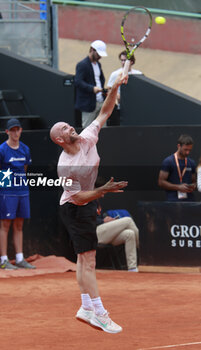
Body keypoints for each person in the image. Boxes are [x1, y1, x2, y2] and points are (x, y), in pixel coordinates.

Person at [50, 71, 128, 334]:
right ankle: (101, 314)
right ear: (60, 140)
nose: (69, 127)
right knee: (89, 260)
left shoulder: (86, 137)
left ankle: (85, 307)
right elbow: (78, 197)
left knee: (84, 261)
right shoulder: (65, 166)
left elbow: (104, 113)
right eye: (64, 129)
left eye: (68, 125)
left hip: (85, 204)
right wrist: (102, 190)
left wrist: (114, 87)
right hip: (74, 208)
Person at [0, 118, 36, 270]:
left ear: (21, 130)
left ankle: (19, 258)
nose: (15, 132)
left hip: (22, 191)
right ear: (7, 132)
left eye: (18, 129)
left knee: (19, 225)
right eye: (12, 130)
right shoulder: (0, 151)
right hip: (7, 192)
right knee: (5, 224)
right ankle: (4, 260)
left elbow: (24, 169)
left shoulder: (25, 149)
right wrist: (4, 188)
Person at [75, 40, 107, 129]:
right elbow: (78, 81)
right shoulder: (82, 64)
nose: (100, 57)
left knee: (102, 128)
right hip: (88, 104)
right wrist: (92, 89)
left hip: (100, 101)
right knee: (87, 129)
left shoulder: (98, 65)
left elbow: (100, 79)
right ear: (92, 50)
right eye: (98, 54)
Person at [96, 205, 139, 272]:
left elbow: (97, 217)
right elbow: (86, 221)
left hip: (103, 232)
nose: (103, 194)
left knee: (129, 234)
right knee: (128, 220)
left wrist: (107, 219)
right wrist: (102, 221)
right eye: (102, 193)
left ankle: (132, 268)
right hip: (93, 234)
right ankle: (138, 248)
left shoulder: (95, 201)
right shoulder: (86, 202)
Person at [158, 134, 196, 201]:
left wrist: (193, 186)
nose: (187, 152)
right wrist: (178, 187)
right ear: (179, 146)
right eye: (185, 149)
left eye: (190, 150)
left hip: (189, 201)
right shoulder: (168, 161)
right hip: (173, 201)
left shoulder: (191, 163)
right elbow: (161, 182)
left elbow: (194, 181)